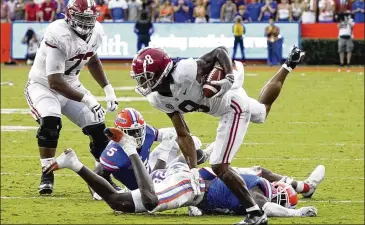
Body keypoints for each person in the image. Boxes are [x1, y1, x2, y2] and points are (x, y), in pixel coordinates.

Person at [129, 44, 305, 224]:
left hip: (233, 105)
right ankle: (288, 65)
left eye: (147, 78)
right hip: (220, 104)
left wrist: (228, 76)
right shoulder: (157, 98)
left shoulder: (185, 71)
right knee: (261, 112)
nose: (143, 83)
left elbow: (220, 51)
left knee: (219, 165)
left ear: (161, 72)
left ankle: (255, 214)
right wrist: (193, 170)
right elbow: (183, 134)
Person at [43, 128, 318, 218]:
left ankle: (73, 163)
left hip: (186, 178)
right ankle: (129, 148)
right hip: (189, 186)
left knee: (119, 201)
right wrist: (295, 213)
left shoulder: (252, 180)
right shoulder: (257, 192)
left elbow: (226, 174)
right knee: (143, 202)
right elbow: (265, 207)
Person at [23, 0, 119, 195]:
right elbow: (54, 81)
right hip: (43, 85)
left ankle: (101, 178)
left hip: (71, 85)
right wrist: (87, 98)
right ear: (69, 15)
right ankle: (47, 172)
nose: (85, 24)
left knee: (98, 126)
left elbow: (92, 60)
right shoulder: (58, 34)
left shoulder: (97, 32)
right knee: (50, 122)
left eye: (89, 19)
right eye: (81, 18)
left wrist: (107, 88)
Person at [91, 108, 204, 199]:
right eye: (131, 132)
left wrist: (184, 137)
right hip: (143, 190)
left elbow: (166, 134)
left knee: (192, 146)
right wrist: (101, 191)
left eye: (139, 130)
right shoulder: (114, 154)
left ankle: (207, 154)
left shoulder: (147, 132)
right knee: (179, 174)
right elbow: (97, 174)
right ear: (119, 132)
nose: (136, 135)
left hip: (151, 169)